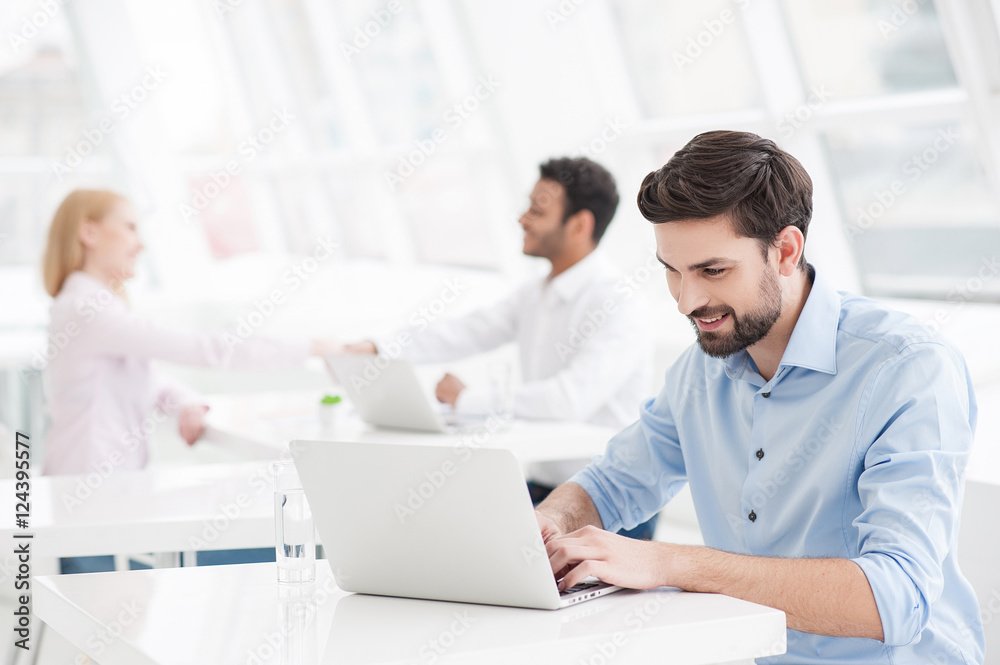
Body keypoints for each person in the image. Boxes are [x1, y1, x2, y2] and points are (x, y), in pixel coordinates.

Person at [537, 131, 984, 664]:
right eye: (672, 272)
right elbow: (613, 483)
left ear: (787, 251)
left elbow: (895, 598)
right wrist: (550, 523)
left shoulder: (907, 367)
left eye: (713, 270)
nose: (687, 301)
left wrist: (670, 564)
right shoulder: (699, 373)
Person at [347, 157, 657, 539]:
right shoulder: (535, 294)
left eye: (537, 210)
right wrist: (376, 347)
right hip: (546, 489)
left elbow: (569, 399)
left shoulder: (619, 302)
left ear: (580, 225)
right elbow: (465, 331)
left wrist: (467, 399)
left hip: (609, 505)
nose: (522, 218)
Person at [40, 189, 339, 571]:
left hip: (107, 496)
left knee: (244, 532)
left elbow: (147, 375)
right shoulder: (86, 308)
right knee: (260, 543)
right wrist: (316, 346)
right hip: (90, 504)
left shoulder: (96, 305)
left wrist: (184, 400)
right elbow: (208, 350)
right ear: (89, 233)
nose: (141, 243)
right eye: (130, 227)